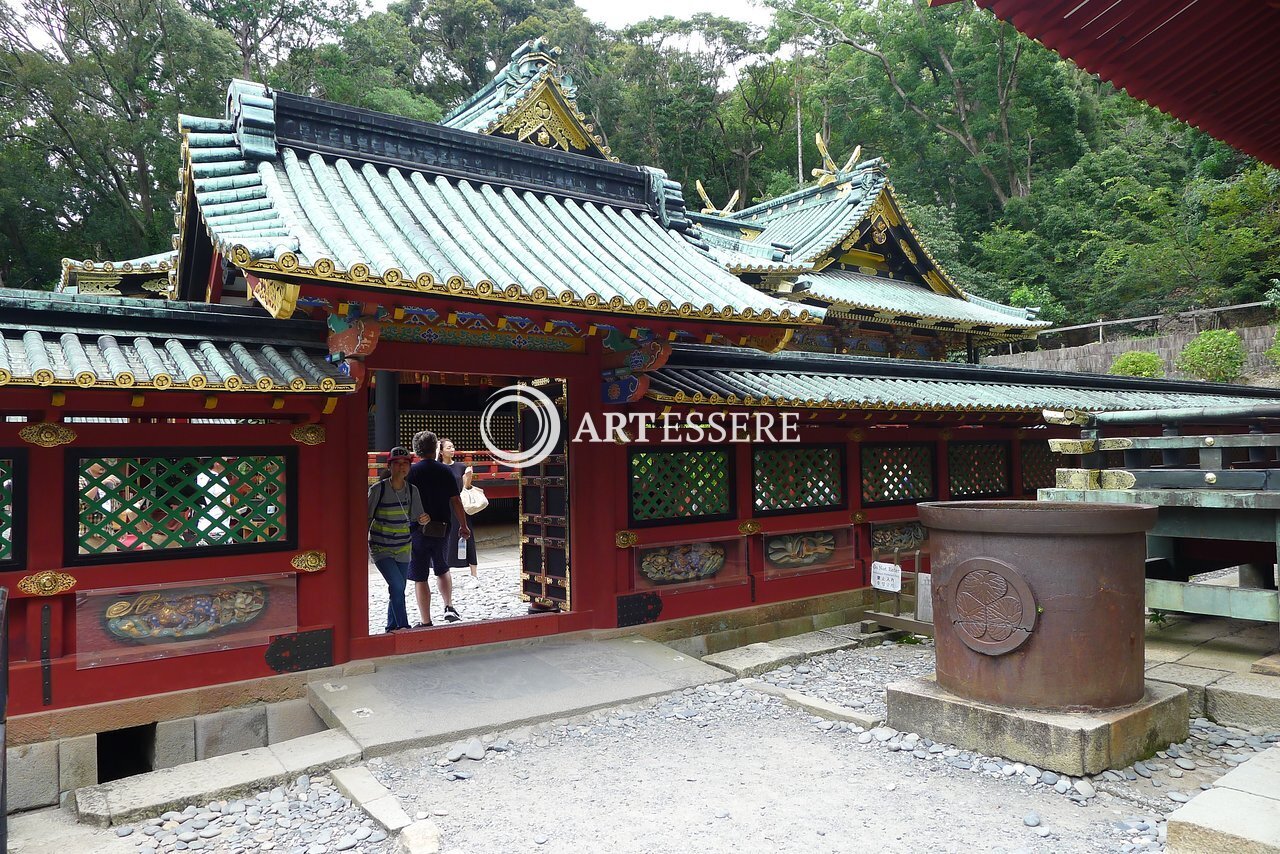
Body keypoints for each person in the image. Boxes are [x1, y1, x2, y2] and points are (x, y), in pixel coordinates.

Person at [407, 431, 470, 625]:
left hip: (417, 527)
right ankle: (448, 606)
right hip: (442, 526)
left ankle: (426, 621)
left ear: (416, 450)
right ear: (435, 448)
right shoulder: (445, 471)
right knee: (442, 567)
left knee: (420, 575)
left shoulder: (411, 472)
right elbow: (456, 500)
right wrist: (464, 525)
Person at [368, 446, 428, 633]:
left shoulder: (412, 490)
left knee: (398, 588)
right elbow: (366, 517)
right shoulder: (378, 489)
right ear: (390, 466)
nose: (402, 467)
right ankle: (403, 626)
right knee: (396, 585)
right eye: (397, 463)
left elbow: (418, 517)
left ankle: (390, 627)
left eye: (405, 464)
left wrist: (424, 519)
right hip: (381, 547)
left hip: (403, 546)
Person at [440, 438, 479, 580]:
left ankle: (474, 575)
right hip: (444, 507)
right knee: (446, 539)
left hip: (460, 506)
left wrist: (468, 476)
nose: (452, 449)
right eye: (448, 447)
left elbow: (467, 487)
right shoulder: (438, 467)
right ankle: (445, 574)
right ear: (441, 451)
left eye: (452, 447)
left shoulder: (461, 466)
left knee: (468, 537)